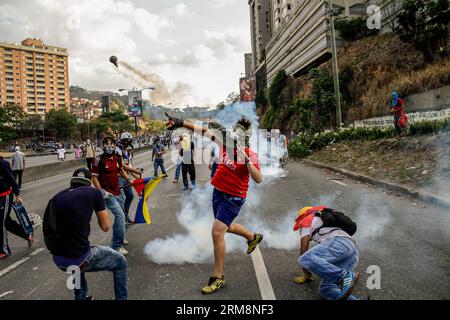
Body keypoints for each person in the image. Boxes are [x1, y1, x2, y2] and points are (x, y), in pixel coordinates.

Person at [166, 114, 264, 294]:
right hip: (218, 192)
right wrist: (180, 123)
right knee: (225, 226)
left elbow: (258, 178)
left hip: (233, 197)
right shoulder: (224, 143)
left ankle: (218, 277)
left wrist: (247, 160)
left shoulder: (250, 154)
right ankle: (252, 237)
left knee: (217, 232)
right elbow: (204, 130)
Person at [45, 168, 128, 300]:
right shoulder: (94, 192)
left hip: (58, 259)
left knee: (76, 262)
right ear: (90, 182)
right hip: (80, 258)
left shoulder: (57, 197)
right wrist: (100, 202)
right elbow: (106, 227)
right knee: (120, 262)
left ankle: (80, 297)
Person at [293, 206, 360, 300]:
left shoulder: (306, 222)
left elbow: (304, 251)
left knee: (304, 258)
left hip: (339, 243)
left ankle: (344, 276)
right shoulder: (325, 219)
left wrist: (306, 274)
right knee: (326, 289)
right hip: (353, 251)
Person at [91, 136, 131, 256]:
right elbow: (94, 178)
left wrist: (130, 179)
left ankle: (120, 236)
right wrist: (101, 191)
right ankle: (116, 245)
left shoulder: (117, 158)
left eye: (111, 144)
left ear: (115, 145)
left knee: (121, 215)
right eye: (106, 144)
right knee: (119, 215)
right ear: (102, 146)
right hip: (108, 194)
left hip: (118, 191)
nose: (109, 146)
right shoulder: (98, 160)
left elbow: (120, 171)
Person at [0, 156, 32, 260]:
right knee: (6, 222)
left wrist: (17, 194)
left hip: (4, 196)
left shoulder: (3, 163)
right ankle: (27, 235)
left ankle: (4, 250)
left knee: (1, 222)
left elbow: (11, 179)